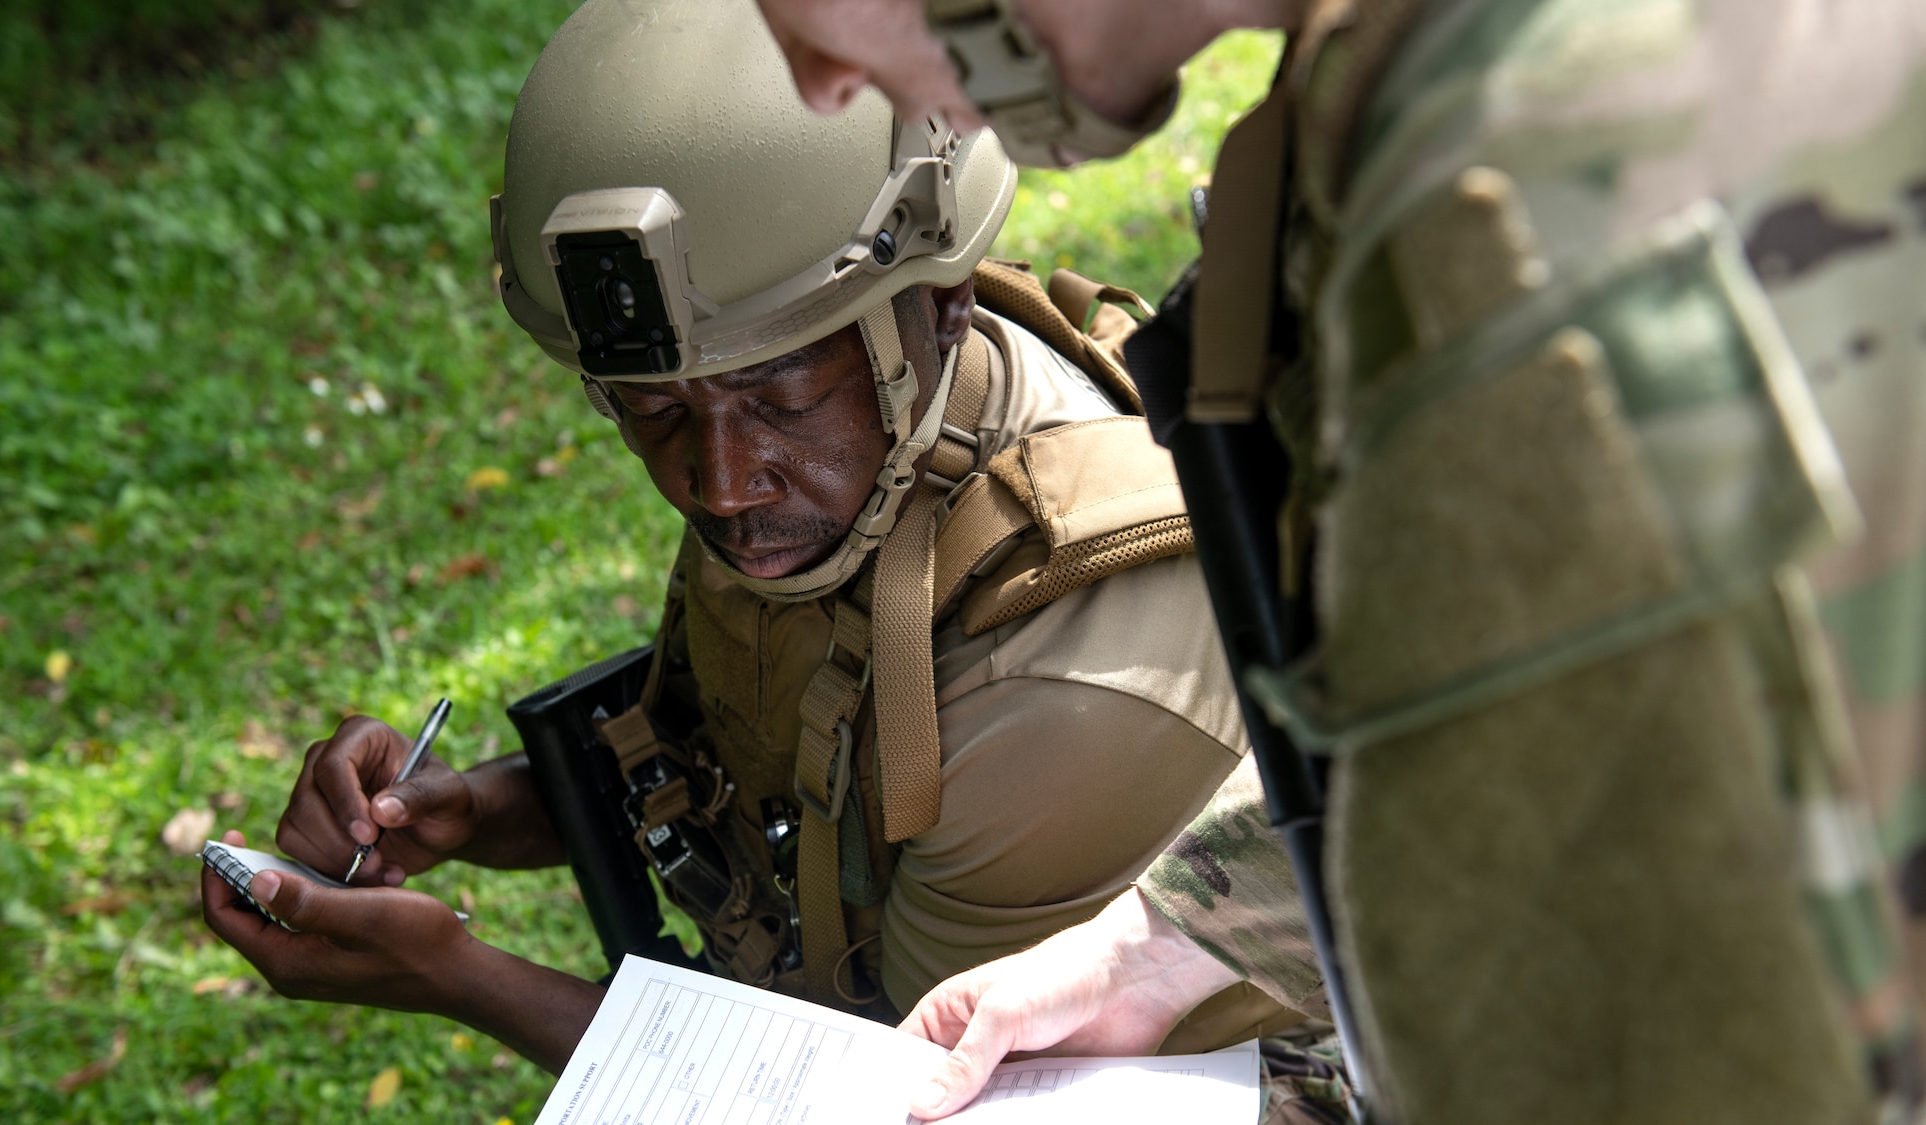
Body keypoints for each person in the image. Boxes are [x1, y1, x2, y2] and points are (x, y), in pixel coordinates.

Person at [756, 1, 1926, 1123]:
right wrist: (1163, 945)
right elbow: (1550, 686)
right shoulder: (1431, 89)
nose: (815, 74)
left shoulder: (1527, 177)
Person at [203, 0, 1328, 1077]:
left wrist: (457, 976)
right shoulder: (861, 451)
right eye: (650, 412)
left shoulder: (1068, 685)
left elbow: (886, 1092)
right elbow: (743, 751)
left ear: (934, 310)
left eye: (778, 400)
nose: (721, 485)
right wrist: (474, 810)